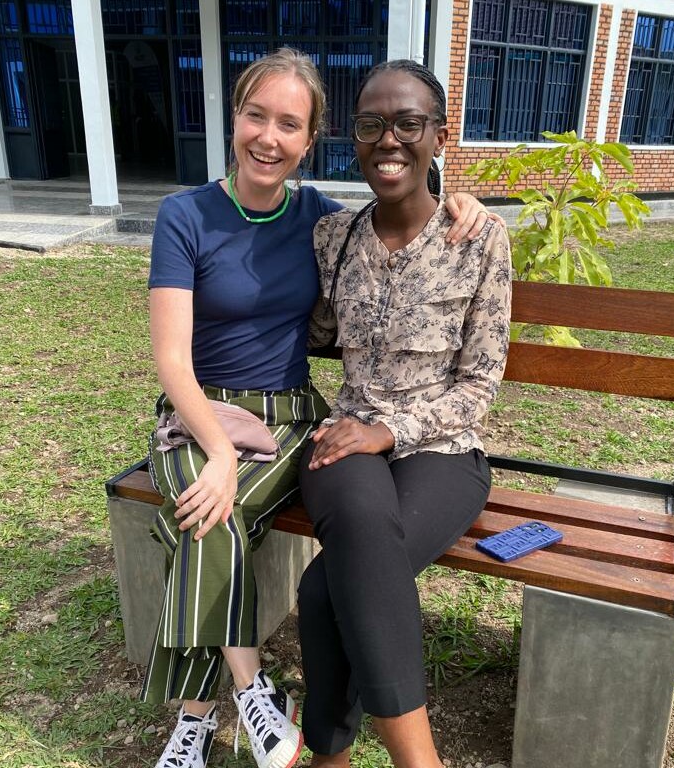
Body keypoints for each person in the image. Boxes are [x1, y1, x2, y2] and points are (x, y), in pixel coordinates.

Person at [143, 48, 493, 768]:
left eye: (290, 124)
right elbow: (191, 348)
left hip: (377, 433)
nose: (269, 136)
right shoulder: (268, 226)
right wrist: (216, 437)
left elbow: (478, 377)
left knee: (320, 580)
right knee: (230, 515)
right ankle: (250, 698)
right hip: (264, 425)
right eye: (256, 115)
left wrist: (460, 197)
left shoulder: (422, 232)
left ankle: (307, 743)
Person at [297, 59, 512, 768]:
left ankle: (328, 756)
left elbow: (480, 386)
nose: (389, 140)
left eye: (408, 124)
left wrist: (394, 430)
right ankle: (421, 762)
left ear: (439, 137)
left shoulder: (481, 239)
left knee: (323, 585)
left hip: (446, 451)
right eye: (370, 125)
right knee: (357, 524)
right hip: (347, 439)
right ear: (352, 139)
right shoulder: (332, 237)